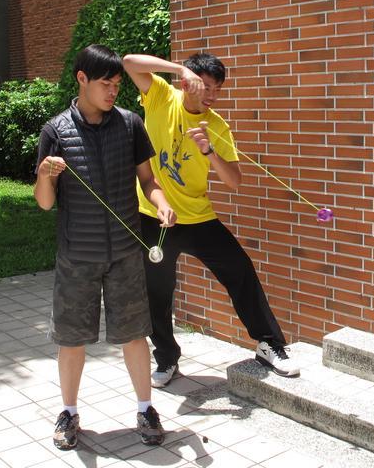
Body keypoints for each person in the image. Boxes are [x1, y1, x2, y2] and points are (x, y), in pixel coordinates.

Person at [121, 52, 301, 388]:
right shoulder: (161, 95)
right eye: (206, 86)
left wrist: (209, 151)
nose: (211, 95)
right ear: (187, 82)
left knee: (240, 270)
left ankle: (269, 344)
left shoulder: (216, 126)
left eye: (217, 89)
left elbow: (234, 181)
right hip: (154, 216)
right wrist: (178, 68)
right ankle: (166, 359)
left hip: (199, 219)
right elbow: (129, 62)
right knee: (157, 292)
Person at [34, 44, 176, 450]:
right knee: (71, 338)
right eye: (105, 84)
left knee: (135, 334)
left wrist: (161, 203)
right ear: (82, 79)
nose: (113, 91)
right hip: (77, 255)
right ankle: (69, 412)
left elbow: (148, 180)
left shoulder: (130, 124)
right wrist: (45, 174)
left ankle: (146, 408)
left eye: (117, 85)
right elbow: (44, 202)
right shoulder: (55, 131)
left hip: (126, 253)